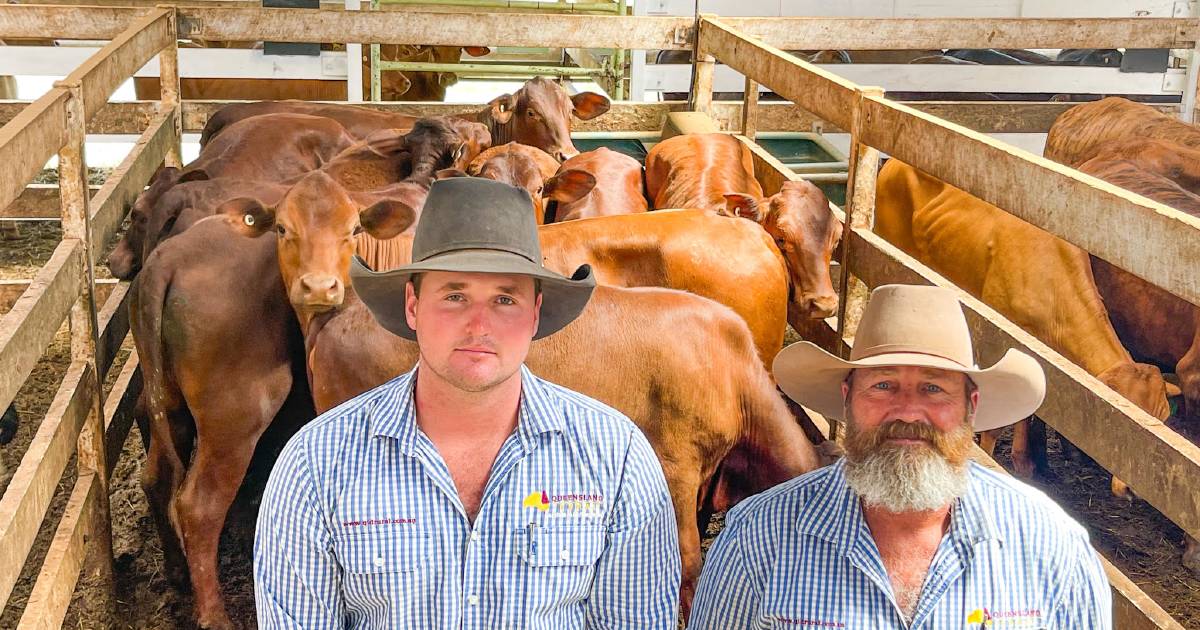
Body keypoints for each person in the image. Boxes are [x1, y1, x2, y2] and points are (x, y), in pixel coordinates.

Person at [254, 177, 680, 629]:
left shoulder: (617, 457)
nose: (479, 325)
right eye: (455, 296)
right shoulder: (314, 465)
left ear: (534, 314)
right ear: (413, 307)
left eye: (504, 298)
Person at [688, 284, 1111, 629]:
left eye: (933, 388)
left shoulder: (1049, 543)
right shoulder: (758, 539)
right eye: (884, 386)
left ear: (971, 406)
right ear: (848, 398)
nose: (908, 412)